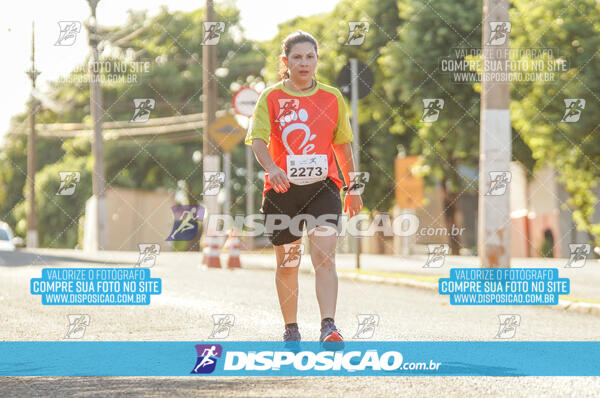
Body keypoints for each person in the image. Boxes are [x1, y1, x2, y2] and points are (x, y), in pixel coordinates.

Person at [244, 30, 363, 345]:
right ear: (285, 61)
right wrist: (272, 168)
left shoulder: (331, 97)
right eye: (297, 57)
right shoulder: (271, 97)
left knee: (324, 255)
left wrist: (353, 187)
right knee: (289, 262)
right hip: (282, 190)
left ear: (317, 59)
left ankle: (328, 325)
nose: (304, 62)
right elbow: (257, 139)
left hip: (323, 187)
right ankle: (291, 328)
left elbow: (343, 147)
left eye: (310, 56)